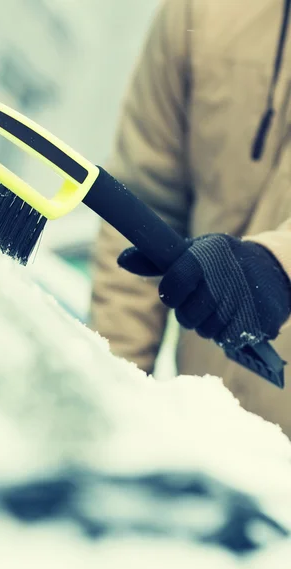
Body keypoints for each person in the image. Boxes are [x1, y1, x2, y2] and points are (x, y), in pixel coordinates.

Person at [90, 0, 291, 437]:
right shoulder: (200, 11)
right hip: (203, 432)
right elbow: (144, 204)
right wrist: (108, 401)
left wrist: (280, 263)